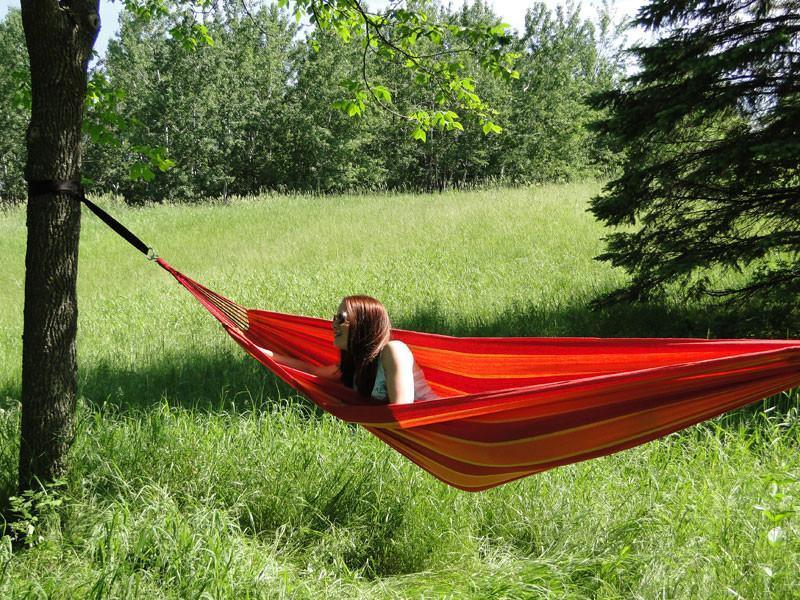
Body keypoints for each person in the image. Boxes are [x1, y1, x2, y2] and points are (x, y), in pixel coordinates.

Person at [257, 295, 436, 404]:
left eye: (341, 318)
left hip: (439, 425)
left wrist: (347, 410)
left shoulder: (394, 351)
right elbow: (312, 371)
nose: (333, 324)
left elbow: (403, 410)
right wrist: (259, 352)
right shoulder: (356, 365)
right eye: (334, 318)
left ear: (362, 323)